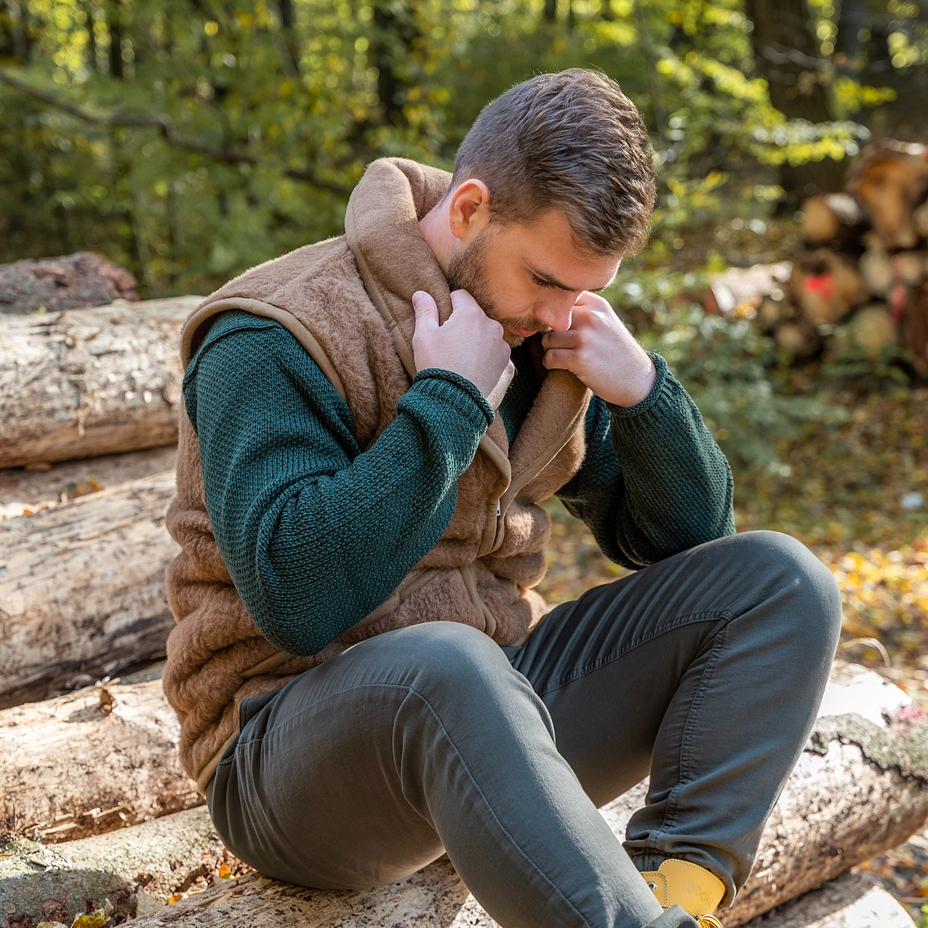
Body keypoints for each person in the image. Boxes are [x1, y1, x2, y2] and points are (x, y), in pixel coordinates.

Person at [163, 68, 842, 928]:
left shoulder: (539, 335)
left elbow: (687, 549)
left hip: (496, 721)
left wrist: (644, 398)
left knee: (782, 583)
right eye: (546, 281)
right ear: (471, 208)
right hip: (285, 762)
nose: (561, 317)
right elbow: (297, 600)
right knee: (448, 667)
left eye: (585, 289)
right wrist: (447, 402)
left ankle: (680, 903)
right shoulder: (277, 330)